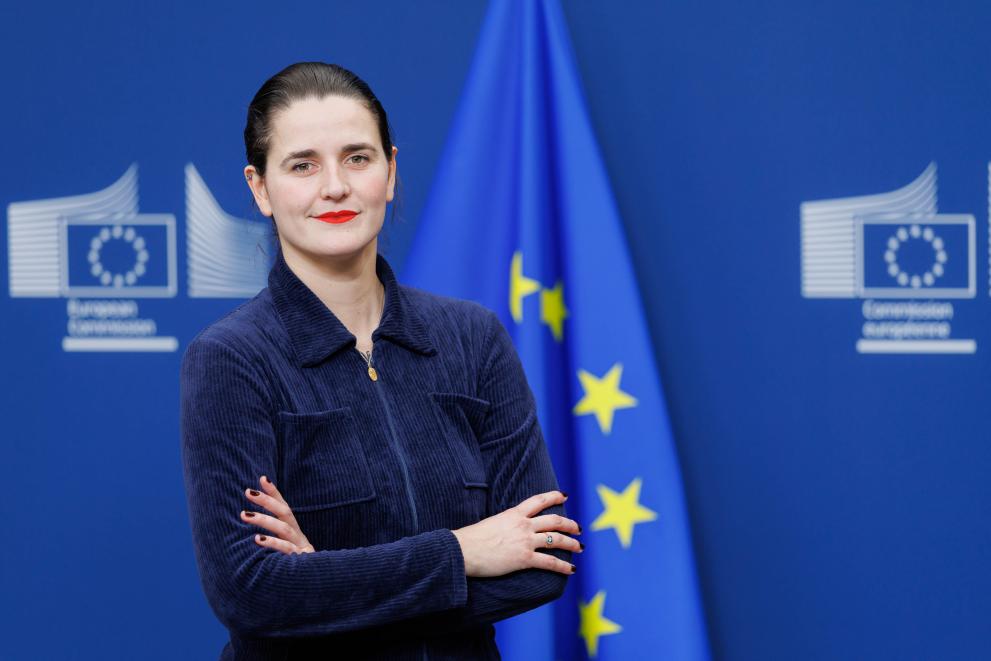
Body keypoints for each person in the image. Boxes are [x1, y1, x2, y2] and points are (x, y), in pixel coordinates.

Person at [180, 61, 580, 660]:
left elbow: (543, 562)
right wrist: (463, 552)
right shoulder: (231, 359)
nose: (335, 186)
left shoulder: (474, 338)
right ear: (260, 188)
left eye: (357, 158)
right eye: (302, 165)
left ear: (390, 172)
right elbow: (251, 593)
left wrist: (325, 583)